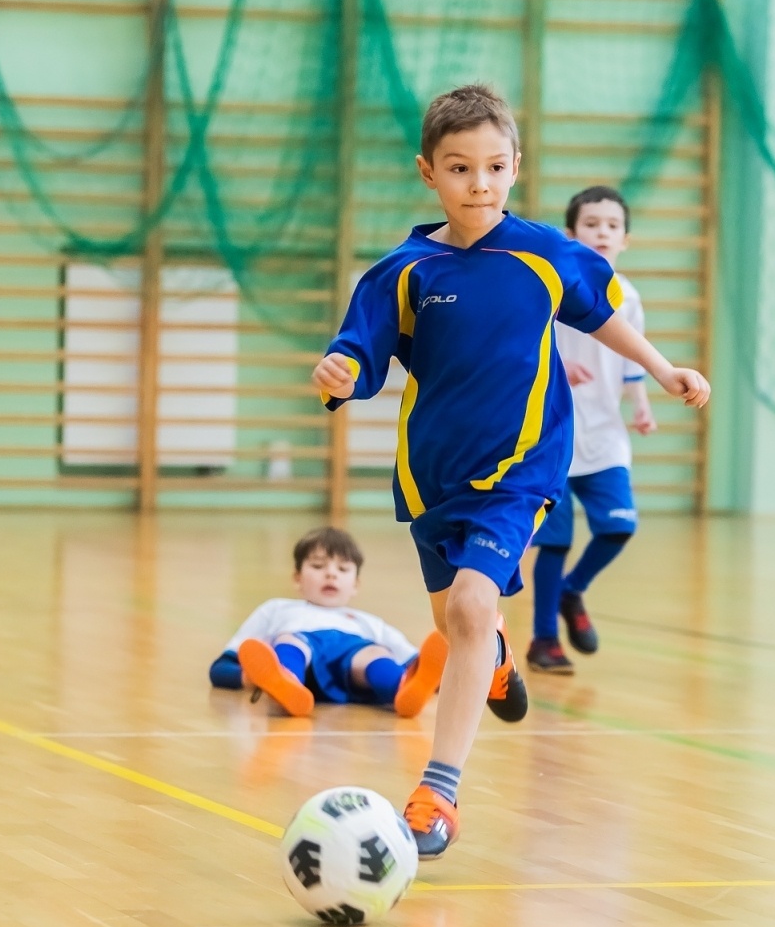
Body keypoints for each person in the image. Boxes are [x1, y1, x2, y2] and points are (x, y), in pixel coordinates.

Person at [311, 84, 710, 859]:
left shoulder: (544, 253)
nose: (480, 184)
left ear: (516, 166)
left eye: (495, 167)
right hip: (431, 477)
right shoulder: (402, 272)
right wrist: (339, 371)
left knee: (470, 605)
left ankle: (438, 793)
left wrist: (664, 370)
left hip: (523, 468)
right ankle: (493, 655)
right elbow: (359, 351)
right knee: (457, 623)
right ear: (429, 171)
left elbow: (603, 315)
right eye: (460, 168)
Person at [527, 186, 655, 674]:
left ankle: (572, 590)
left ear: (625, 239)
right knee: (554, 542)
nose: (602, 232)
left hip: (605, 435)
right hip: (552, 435)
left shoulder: (629, 298)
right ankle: (544, 640)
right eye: (592, 224)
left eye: (612, 225)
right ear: (570, 234)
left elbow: (632, 360)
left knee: (619, 525)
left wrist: (640, 405)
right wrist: (557, 365)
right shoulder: (553, 289)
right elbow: (526, 345)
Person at [208, 527, 423, 717]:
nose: (331, 574)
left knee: (375, 653)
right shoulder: (277, 609)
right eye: (318, 566)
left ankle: (401, 691)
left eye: (343, 569)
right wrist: (248, 678)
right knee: (290, 641)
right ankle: (287, 684)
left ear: (356, 584)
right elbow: (221, 668)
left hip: (353, 673)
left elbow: (417, 664)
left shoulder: (369, 623)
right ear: (297, 578)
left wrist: (430, 679)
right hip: (306, 667)